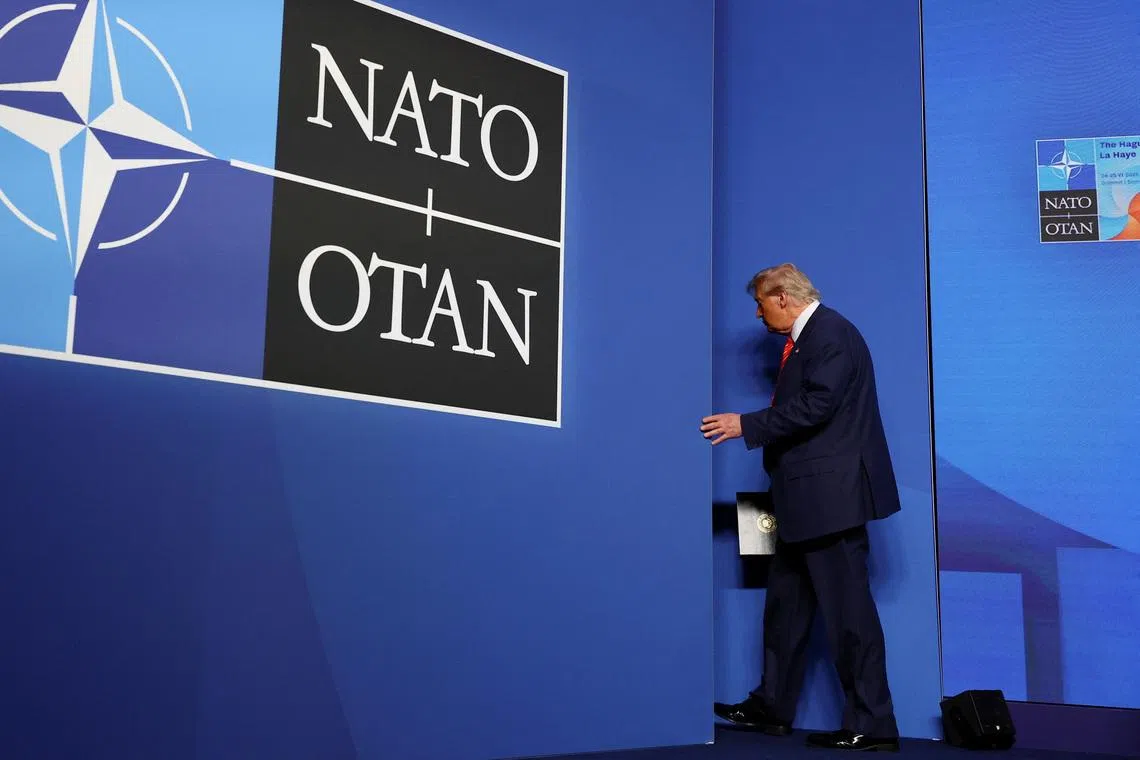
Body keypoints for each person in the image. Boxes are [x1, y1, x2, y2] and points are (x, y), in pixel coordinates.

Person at [700, 263, 902, 752]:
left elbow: (818, 405)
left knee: (849, 615)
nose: (757, 313)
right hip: (800, 499)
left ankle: (874, 726)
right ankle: (773, 705)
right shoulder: (812, 338)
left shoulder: (831, 333)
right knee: (784, 611)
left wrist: (745, 425)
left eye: (761, 303)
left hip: (830, 500)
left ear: (784, 298)